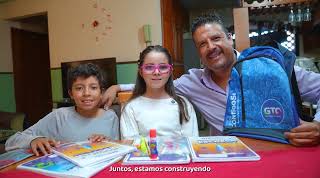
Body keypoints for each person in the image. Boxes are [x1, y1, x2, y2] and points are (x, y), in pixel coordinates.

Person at [103, 13, 320, 146]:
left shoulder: (270, 68)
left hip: (283, 149)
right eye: (202, 44)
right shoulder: (194, 82)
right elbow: (157, 80)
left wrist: (318, 125)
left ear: (229, 38)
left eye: (216, 38)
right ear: (199, 52)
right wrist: (116, 86)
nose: (211, 47)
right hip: (231, 158)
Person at [5, 63, 119, 156]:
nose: (86, 93)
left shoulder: (110, 116)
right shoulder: (59, 116)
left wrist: (107, 142)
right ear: (71, 94)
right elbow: (11, 141)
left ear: (101, 92)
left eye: (93, 88)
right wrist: (34, 140)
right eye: (79, 88)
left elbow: (119, 149)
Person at [120, 45, 199, 140]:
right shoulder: (131, 108)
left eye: (163, 67)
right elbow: (131, 144)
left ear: (170, 71)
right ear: (141, 72)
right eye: (149, 67)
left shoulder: (183, 104)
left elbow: (192, 142)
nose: (156, 72)